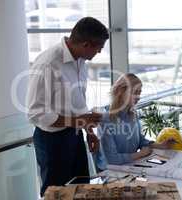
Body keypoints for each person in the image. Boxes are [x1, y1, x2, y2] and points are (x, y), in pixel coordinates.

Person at [26, 17, 109, 196]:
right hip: (52, 141)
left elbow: (78, 105)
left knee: (81, 188)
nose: (100, 52)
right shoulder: (48, 63)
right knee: (56, 193)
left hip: (76, 134)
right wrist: (79, 121)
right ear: (86, 44)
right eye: (99, 48)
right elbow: (36, 113)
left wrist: (89, 131)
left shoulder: (80, 61)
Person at [94, 73, 175, 169]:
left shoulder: (132, 114)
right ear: (121, 91)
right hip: (111, 172)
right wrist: (140, 154)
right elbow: (112, 160)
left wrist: (161, 145)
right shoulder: (105, 119)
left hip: (131, 167)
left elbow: (141, 141)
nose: (138, 97)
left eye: (139, 93)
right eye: (135, 92)